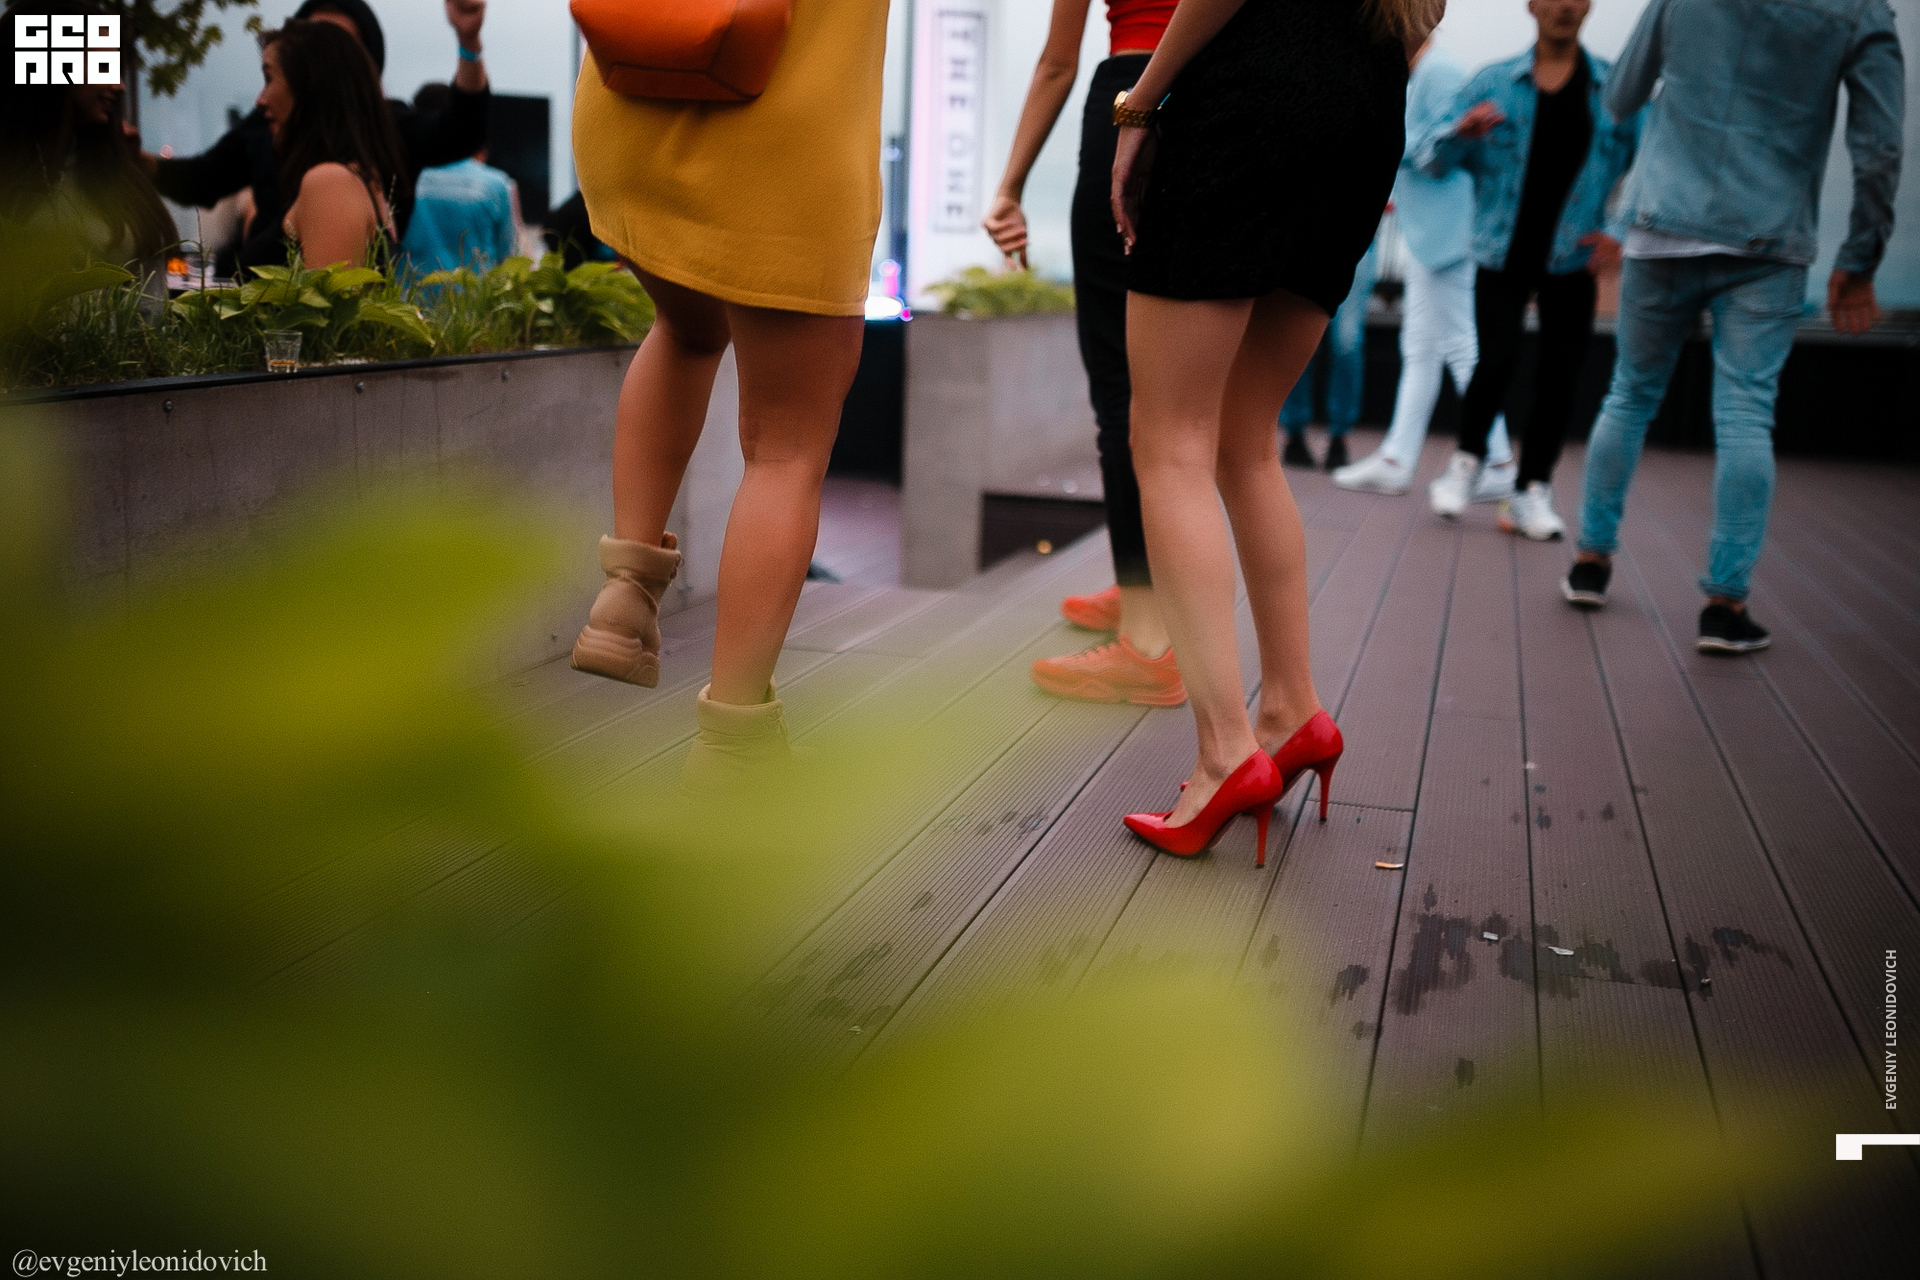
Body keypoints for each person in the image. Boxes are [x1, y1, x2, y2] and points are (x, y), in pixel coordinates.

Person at [1110, 0, 1434, 863]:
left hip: (1253, 95)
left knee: (1168, 442)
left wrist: (1140, 105)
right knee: (1244, 439)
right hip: (1363, 112)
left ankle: (1225, 754)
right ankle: (1292, 711)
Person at [568, 0, 890, 790]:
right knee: (785, 446)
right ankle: (733, 750)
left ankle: (625, 594)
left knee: (685, 329)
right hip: (781, 138)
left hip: (631, 105)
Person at [1565, 0, 1903, 653]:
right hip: (1767, 239)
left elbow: (1621, 95)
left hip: (1661, 222)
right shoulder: (1860, 9)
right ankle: (1724, 606)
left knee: (1629, 395)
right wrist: (1859, 258)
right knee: (1746, 414)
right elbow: (1880, 148)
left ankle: (1590, 564)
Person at [982, 0, 1185, 710]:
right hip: (1216, 102)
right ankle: (1145, 583)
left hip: (1130, 95)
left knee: (1121, 385)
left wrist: (1009, 187)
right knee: (1180, 390)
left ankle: (1148, 638)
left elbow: (1056, 62)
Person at [1415, 0, 1637, 540]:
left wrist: (1620, 231)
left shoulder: (1614, 88)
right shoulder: (1491, 83)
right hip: (1501, 250)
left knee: (1561, 376)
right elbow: (1431, 161)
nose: (1565, 6)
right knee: (1495, 361)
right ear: (1532, 5)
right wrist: (1459, 134)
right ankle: (1466, 464)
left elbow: (1651, 162)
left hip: (1574, 256)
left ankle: (1531, 490)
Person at [146, 0, 490, 276]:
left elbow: (463, 129)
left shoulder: (349, 167)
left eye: (333, 46)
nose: (261, 100)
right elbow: (200, 178)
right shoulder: (265, 127)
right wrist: (128, 157)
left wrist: (469, 45)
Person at [1333, 37, 1515, 497]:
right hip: (1432, 235)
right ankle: (1397, 458)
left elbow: (1445, 153)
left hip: (1447, 235)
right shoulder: (1425, 72)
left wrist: (1390, 139)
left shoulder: (1438, 72)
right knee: (1422, 347)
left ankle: (1498, 461)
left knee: (1460, 346)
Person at [0, 11, 175, 300]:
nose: (119, 85)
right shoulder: (20, 185)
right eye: (101, 65)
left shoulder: (117, 177)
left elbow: (149, 305)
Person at [255, 20, 406, 271]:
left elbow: (330, 296)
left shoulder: (331, 183)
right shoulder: (356, 179)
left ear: (310, 86)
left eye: (268, 78)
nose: (260, 99)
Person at [1276, 237, 1375, 472]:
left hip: (1354, 236)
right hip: (1306, 236)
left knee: (1347, 343)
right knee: (1298, 337)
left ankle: (1340, 434)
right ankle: (1293, 430)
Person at [397, 83, 517, 277]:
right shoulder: (496, 184)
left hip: (406, 294)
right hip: (474, 294)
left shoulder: (397, 178)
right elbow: (508, 256)